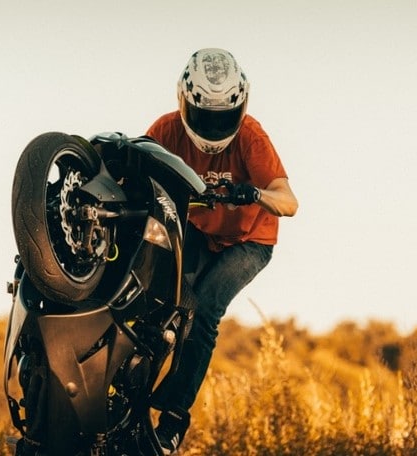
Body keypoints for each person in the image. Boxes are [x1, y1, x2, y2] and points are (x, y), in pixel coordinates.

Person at [145, 48, 298, 455]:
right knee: (162, 302)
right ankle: (128, 401)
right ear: (185, 102)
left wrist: (256, 193)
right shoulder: (166, 131)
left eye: (222, 118)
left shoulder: (251, 136)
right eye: (205, 117)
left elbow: (290, 202)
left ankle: (175, 416)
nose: (214, 128)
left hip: (250, 240)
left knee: (204, 310)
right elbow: (131, 173)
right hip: (198, 230)